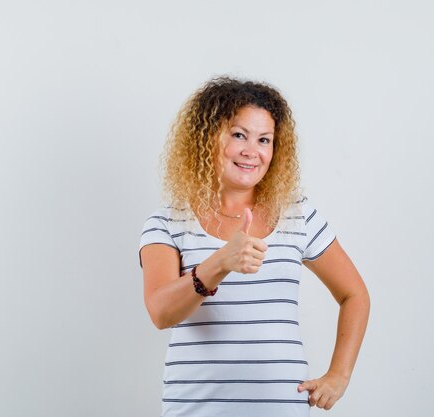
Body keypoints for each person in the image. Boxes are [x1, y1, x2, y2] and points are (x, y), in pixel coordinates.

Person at [138, 76, 370, 417]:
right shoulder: (167, 223)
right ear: (207, 137)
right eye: (238, 135)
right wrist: (219, 263)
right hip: (196, 410)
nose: (252, 151)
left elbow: (355, 295)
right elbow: (160, 313)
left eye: (264, 139)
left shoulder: (298, 216)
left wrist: (340, 375)